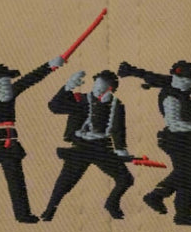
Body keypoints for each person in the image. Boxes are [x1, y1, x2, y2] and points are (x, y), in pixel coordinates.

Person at [0, 53, 66, 227]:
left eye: (7, 81)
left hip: (9, 145)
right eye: (1, 82)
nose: (5, 85)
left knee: (17, 183)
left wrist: (50, 66)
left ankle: (23, 214)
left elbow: (30, 79)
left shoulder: (11, 94)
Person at [40, 68, 134, 220]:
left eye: (101, 89)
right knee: (65, 182)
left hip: (102, 147)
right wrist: (68, 87)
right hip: (81, 147)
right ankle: (50, 210)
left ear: (110, 90)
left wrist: (121, 149)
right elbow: (54, 106)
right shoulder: (81, 100)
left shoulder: (117, 105)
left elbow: (118, 129)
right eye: (95, 87)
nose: (97, 91)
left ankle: (111, 203)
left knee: (126, 179)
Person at [139, 59, 191, 226]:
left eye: (190, 81)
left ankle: (182, 213)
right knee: (186, 173)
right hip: (176, 139)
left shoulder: (186, 94)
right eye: (184, 80)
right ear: (175, 78)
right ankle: (157, 197)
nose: (188, 84)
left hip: (189, 140)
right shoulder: (170, 96)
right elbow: (173, 123)